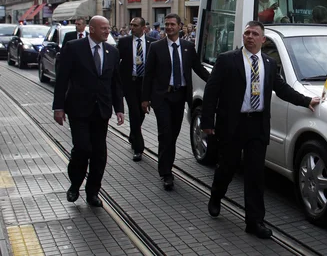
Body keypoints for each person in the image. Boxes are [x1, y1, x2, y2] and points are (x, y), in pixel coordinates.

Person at [201, 21, 320, 238]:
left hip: (257, 125)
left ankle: (254, 222)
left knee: (255, 175)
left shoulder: (269, 63)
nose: (250, 36)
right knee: (227, 167)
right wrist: (207, 122)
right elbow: (211, 92)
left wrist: (306, 101)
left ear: (263, 40)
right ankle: (216, 196)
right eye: (247, 33)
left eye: (255, 34)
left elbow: (282, 89)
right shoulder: (227, 60)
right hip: (233, 124)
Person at [53, 15, 124, 207]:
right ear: (91, 29)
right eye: (103, 28)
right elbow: (62, 79)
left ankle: (93, 192)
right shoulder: (74, 48)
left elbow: (115, 83)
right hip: (78, 109)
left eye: (108, 28)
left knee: (99, 154)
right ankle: (75, 184)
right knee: (83, 148)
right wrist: (58, 107)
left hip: (101, 110)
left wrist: (119, 108)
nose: (107, 31)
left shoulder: (112, 51)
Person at [142, 13, 210, 190]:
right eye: (167, 24)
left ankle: (167, 165)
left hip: (180, 97)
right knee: (165, 134)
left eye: (173, 24)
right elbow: (148, 74)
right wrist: (145, 98)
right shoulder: (156, 47)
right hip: (162, 97)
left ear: (180, 26)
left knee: (173, 134)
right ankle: (166, 173)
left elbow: (199, 69)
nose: (169, 27)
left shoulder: (188, 47)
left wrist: (215, 81)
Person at [117, 17, 156, 162]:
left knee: (141, 112)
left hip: (145, 84)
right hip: (130, 83)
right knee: (134, 113)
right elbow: (116, 62)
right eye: (131, 25)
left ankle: (133, 134)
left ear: (143, 27)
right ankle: (139, 148)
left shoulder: (152, 43)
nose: (132, 28)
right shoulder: (124, 42)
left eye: (135, 25)